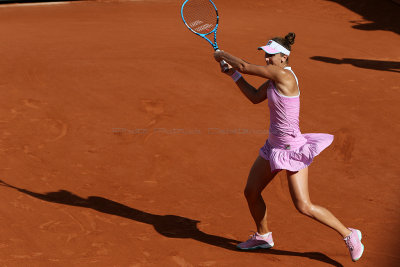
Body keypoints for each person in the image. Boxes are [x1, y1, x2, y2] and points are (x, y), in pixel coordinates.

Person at [213, 32, 364, 262]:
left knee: (303, 205)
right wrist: (233, 75)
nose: (267, 59)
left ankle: (349, 233)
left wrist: (221, 54)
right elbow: (254, 96)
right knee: (251, 192)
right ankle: (263, 236)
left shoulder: (285, 76)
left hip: (292, 149)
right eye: (265, 54)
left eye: (271, 55)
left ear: (284, 57)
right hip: (272, 148)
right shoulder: (274, 80)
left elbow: (244, 65)